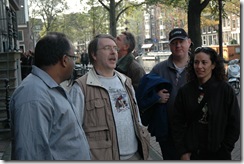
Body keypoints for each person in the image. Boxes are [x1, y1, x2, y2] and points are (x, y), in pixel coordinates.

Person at [10, 32, 91, 160]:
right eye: (73, 58)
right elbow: (30, 154)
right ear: (64, 60)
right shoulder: (33, 96)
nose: (74, 63)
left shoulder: (49, 89)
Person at [69, 34, 150, 160]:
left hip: (135, 156)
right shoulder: (81, 88)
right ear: (94, 55)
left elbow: (137, 119)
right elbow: (72, 132)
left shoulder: (126, 82)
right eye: (107, 48)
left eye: (115, 48)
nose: (113, 52)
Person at [171, 47, 240, 160]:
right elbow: (177, 123)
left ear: (213, 65)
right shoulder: (185, 91)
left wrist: (225, 149)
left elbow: (234, 124)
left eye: (204, 62)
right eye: (196, 62)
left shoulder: (225, 91)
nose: (199, 66)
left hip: (218, 154)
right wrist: (183, 151)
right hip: (193, 155)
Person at [150, 28, 192, 160]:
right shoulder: (158, 70)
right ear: (170, 46)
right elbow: (144, 96)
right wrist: (156, 98)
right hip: (167, 133)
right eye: (174, 43)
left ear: (189, 42)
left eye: (181, 42)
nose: (178, 45)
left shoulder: (198, 67)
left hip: (192, 131)